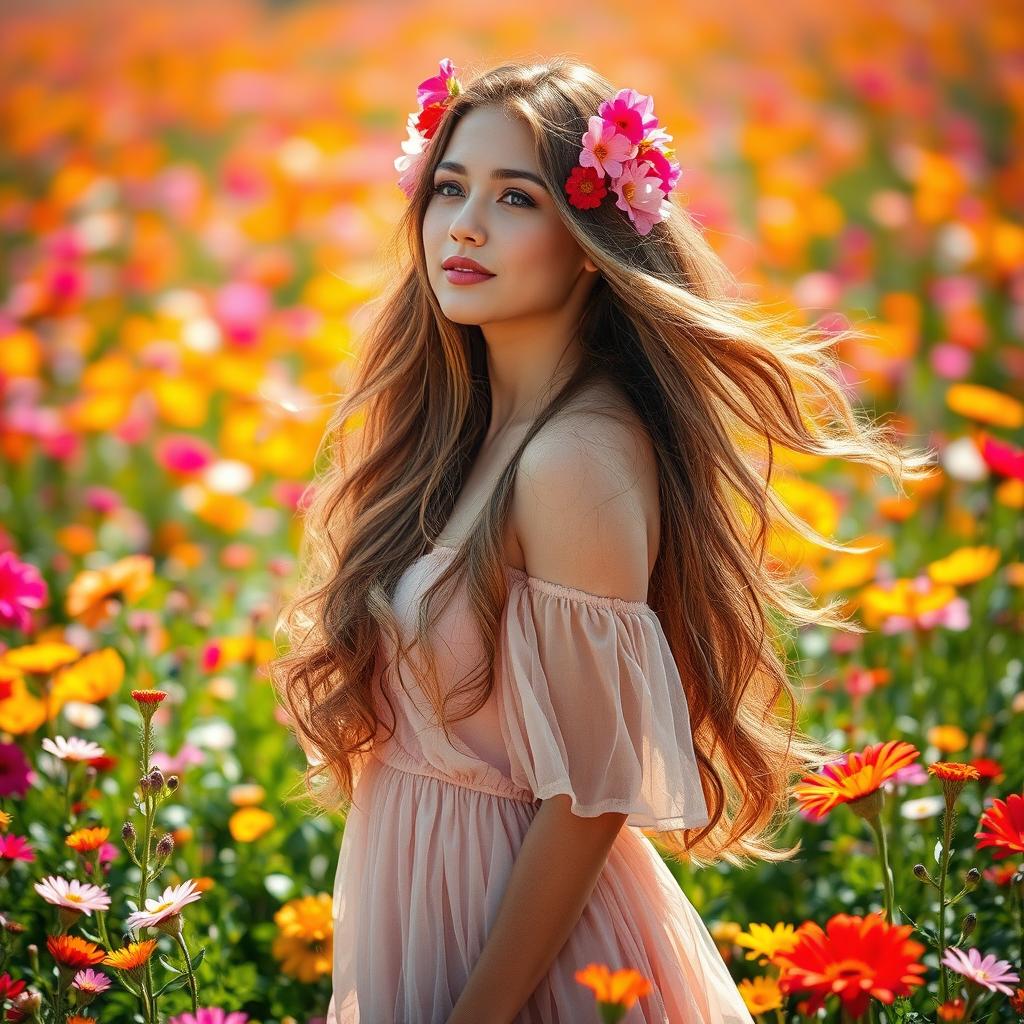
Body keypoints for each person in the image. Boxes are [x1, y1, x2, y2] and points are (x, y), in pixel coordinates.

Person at [269, 56, 934, 1023]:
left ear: (590, 240)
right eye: (450, 186)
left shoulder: (576, 456)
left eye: (516, 198)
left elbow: (588, 796)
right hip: (431, 912)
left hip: (524, 962)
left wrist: (477, 1014)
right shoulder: (472, 434)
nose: (465, 224)